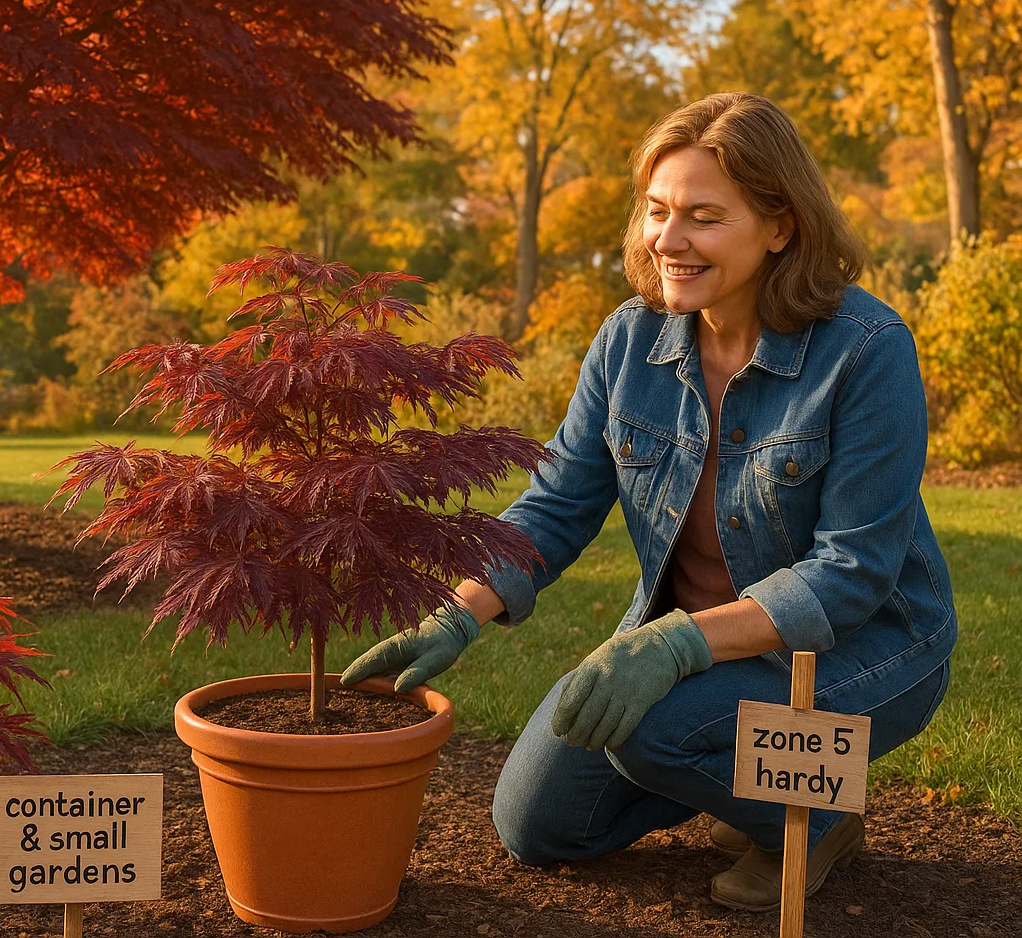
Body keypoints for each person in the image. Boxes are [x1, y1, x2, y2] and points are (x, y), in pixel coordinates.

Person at [341, 92, 956, 911]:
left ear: (780, 226)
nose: (668, 241)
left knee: (645, 728)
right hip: (687, 649)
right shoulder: (629, 342)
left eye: (704, 217)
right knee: (536, 824)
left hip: (861, 651)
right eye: (658, 211)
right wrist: (457, 611)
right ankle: (746, 769)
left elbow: (851, 573)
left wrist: (671, 649)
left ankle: (812, 810)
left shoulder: (866, 352)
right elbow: (557, 505)